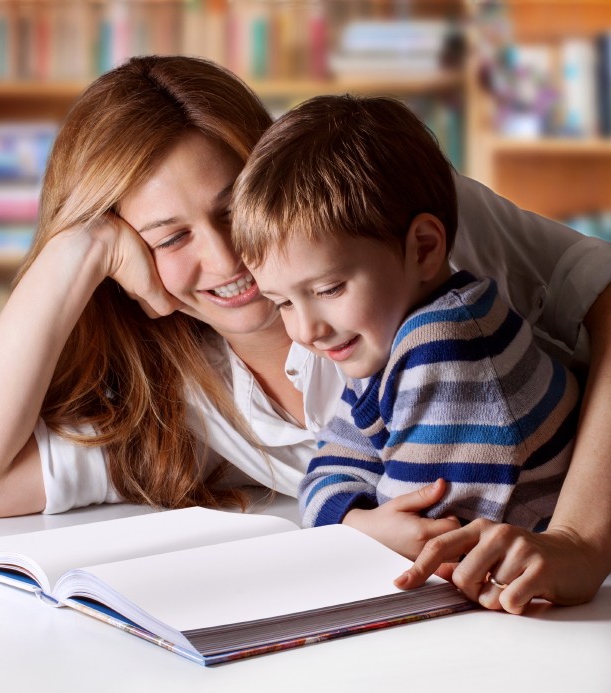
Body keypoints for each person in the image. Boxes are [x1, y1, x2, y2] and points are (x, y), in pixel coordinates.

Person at [0, 56, 611, 615]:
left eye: (232, 208)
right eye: (169, 237)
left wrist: (579, 538)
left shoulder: (385, 216)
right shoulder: (179, 394)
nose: (226, 260)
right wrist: (77, 250)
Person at [230, 94, 580, 567]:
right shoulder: (381, 341)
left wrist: (356, 529)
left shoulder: (449, 341)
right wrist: (358, 522)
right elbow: (327, 470)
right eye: (283, 303)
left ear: (424, 247)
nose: (306, 330)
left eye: (329, 288)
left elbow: (428, 538)